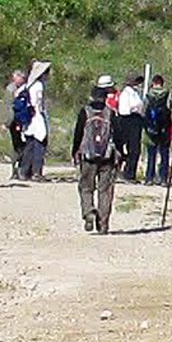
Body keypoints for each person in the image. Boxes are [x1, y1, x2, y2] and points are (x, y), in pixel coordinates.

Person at [72, 75, 120, 234]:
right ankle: (103, 223)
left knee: (86, 187)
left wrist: (74, 152)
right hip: (107, 157)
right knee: (105, 190)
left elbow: (78, 134)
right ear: (106, 97)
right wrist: (121, 153)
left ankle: (89, 212)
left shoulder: (84, 112)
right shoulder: (111, 113)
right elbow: (119, 137)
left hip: (88, 156)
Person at [20, 61, 51, 181]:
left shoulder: (28, 85)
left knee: (29, 144)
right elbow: (38, 104)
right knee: (39, 144)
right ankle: (36, 172)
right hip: (37, 117)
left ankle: (24, 171)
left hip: (29, 118)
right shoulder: (38, 86)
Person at [142, 74, 172, 186]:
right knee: (164, 154)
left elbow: (143, 111)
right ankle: (163, 178)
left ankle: (149, 178)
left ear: (153, 83)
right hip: (165, 129)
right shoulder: (168, 94)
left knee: (151, 154)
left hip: (150, 130)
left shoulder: (147, 95)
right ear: (162, 83)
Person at [114, 73, 146, 181]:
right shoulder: (126, 94)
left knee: (135, 149)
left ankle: (130, 172)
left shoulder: (135, 94)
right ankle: (126, 172)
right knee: (131, 148)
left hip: (136, 121)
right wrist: (135, 109)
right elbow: (124, 111)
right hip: (128, 121)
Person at [4, 70, 29, 180]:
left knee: (23, 145)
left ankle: (22, 169)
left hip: (23, 120)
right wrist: (7, 122)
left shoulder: (26, 88)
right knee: (17, 146)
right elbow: (8, 107)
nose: (15, 79)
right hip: (15, 121)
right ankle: (16, 170)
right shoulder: (11, 89)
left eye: (17, 77)